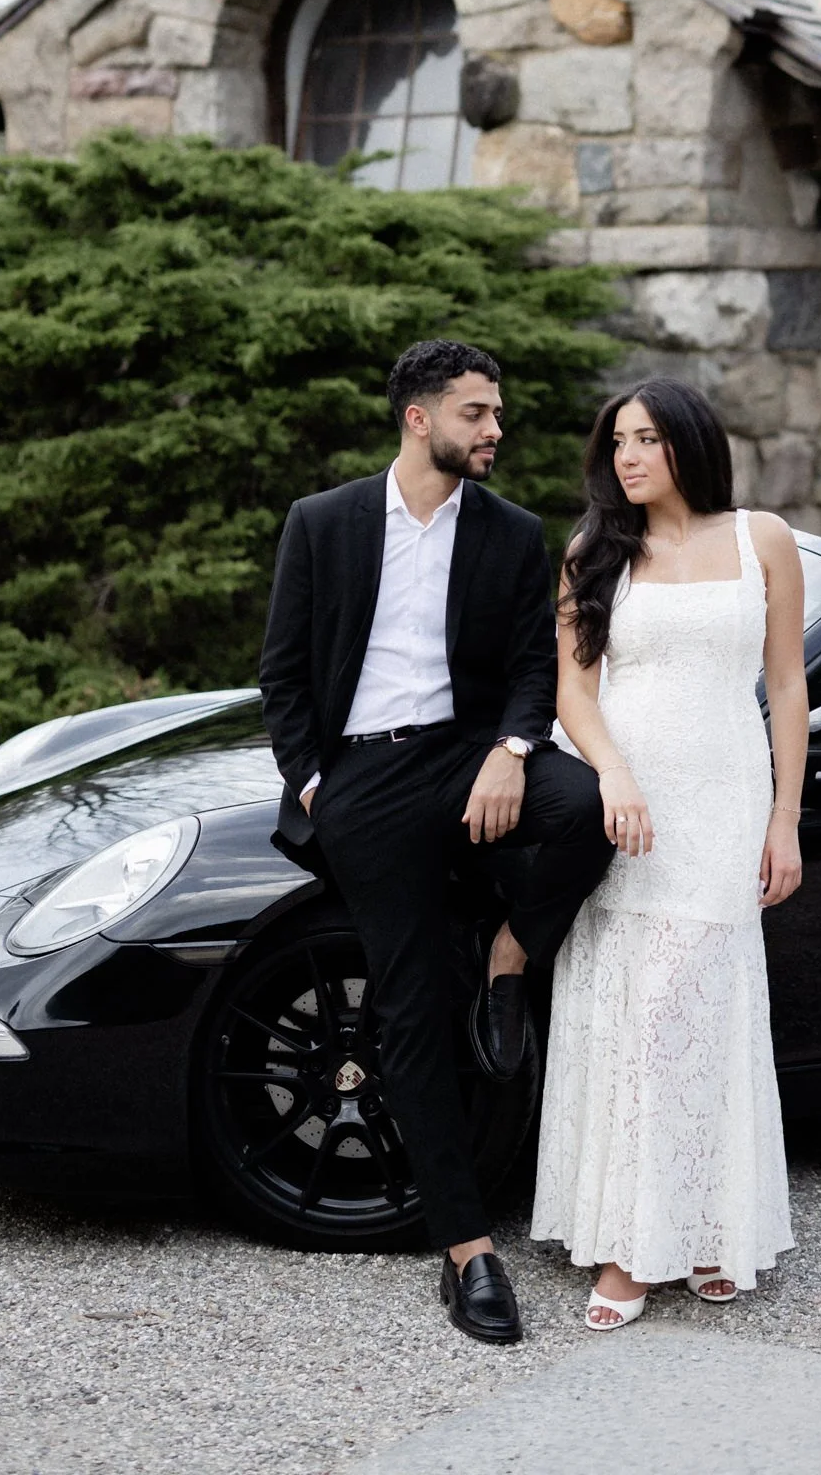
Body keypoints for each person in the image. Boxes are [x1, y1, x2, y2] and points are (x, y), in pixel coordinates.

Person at [258, 338, 614, 1345]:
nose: (493, 431)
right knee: (407, 1006)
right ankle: (467, 1252)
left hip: (469, 755)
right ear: (417, 419)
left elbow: (529, 674)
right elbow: (282, 676)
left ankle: (510, 956)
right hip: (365, 779)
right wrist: (319, 786)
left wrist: (511, 749)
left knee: (589, 810)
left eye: (494, 414)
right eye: (474, 413)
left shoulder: (507, 533)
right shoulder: (322, 524)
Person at [531, 379, 807, 1328]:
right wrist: (610, 774)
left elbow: (786, 684)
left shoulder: (760, 539)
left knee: (700, 1013)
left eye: (646, 439)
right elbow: (571, 694)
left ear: (688, 443)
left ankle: (705, 1232)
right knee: (635, 1018)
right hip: (627, 806)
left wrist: (785, 819)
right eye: (616, 442)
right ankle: (628, 1248)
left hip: (725, 801)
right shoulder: (592, 552)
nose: (628, 457)